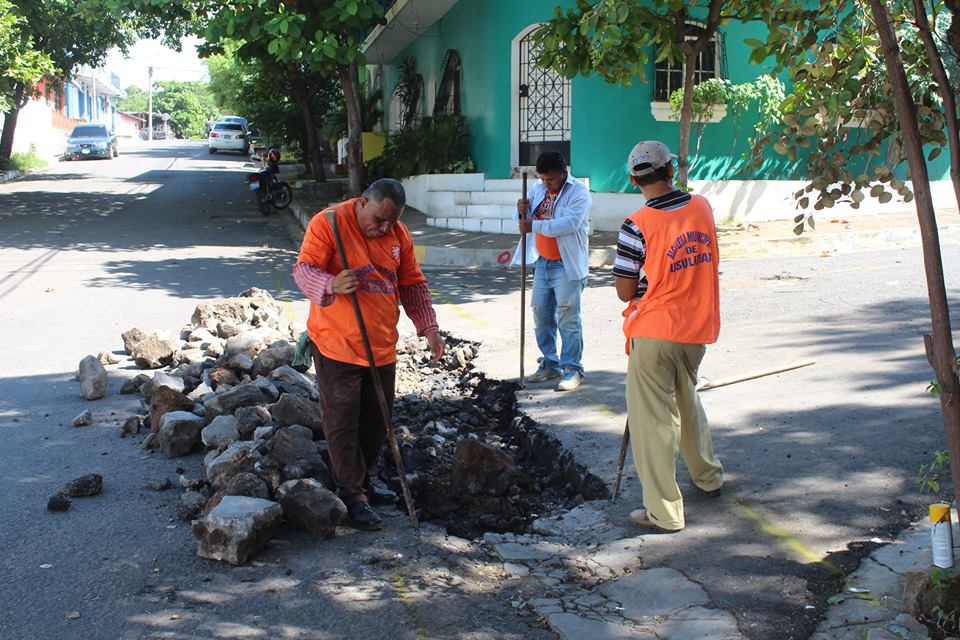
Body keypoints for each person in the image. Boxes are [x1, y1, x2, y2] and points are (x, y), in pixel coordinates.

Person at [292, 178, 445, 531]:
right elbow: (303, 270)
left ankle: (366, 477)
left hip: (380, 343)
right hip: (337, 344)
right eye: (378, 219)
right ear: (362, 203)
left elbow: (412, 283)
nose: (383, 228)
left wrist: (429, 328)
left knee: (378, 419)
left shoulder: (399, 235)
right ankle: (351, 493)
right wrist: (331, 284)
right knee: (342, 420)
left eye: (392, 221)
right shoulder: (328, 223)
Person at [613, 140, 724, 533]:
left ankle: (664, 511)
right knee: (686, 399)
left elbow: (625, 292)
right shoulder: (702, 207)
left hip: (656, 329)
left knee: (654, 421)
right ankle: (708, 476)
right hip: (697, 328)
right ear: (671, 169)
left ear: (633, 179)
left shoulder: (636, 225)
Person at [513, 151, 592, 391]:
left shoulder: (578, 192)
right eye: (543, 179)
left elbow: (568, 224)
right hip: (543, 262)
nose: (547, 184)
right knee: (541, 315)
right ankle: (550, 363)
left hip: (566, 265)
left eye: (551, 180)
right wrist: (521, 210)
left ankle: (572, 369)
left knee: (567, 317)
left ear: (563, 173)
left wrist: (532, 224)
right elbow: (524, 220)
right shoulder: (537, 188)